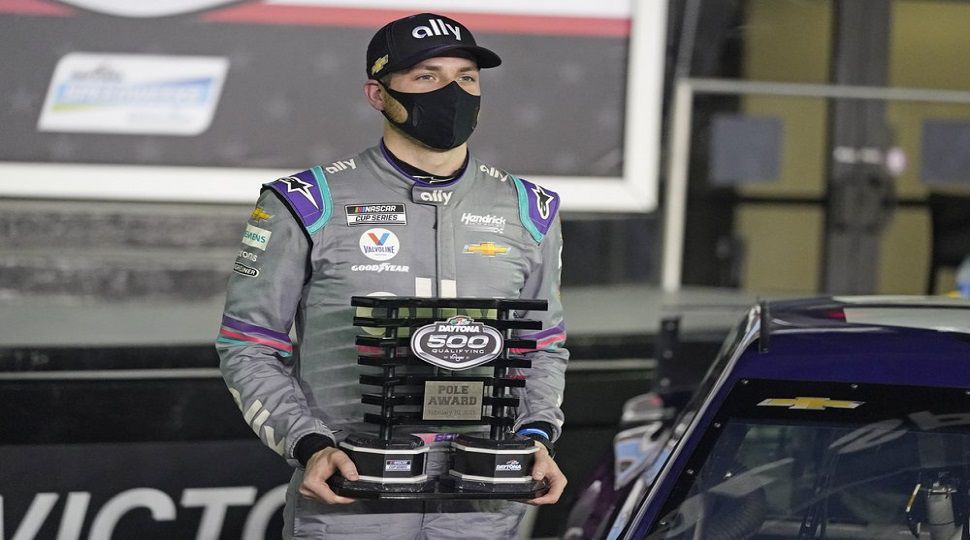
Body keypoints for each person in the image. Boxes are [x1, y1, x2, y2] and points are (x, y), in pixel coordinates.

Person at [216, 12, 568, 539]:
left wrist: (536, 436)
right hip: (352, 496)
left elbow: (543, 346)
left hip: (483, 506)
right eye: (427, 77)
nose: (453, 90)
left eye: (467, 77)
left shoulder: (530, 208)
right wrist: (310, 445)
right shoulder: (303, 202)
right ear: (377, 94)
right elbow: (248, 345)